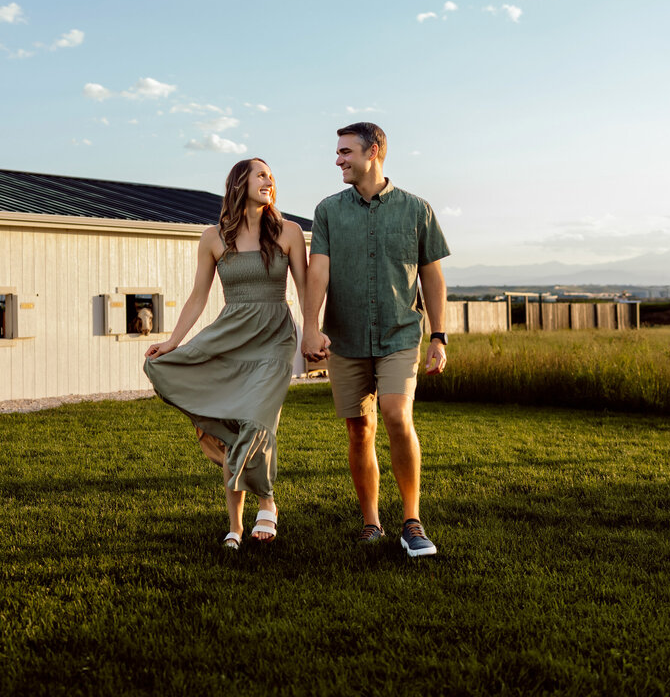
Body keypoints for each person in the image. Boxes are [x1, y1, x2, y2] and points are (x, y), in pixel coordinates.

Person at [301, 122, 450, 558]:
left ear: (374, 151)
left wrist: (438, 337)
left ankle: (412, 520)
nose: (338, 160)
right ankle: (371, 522)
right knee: (358, 428)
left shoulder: (416, 210)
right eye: (338, 152)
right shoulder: (328, 211)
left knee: (395, 413)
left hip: (400, 332)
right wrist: (311, 325)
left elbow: (432, 276)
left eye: (346, 151)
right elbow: (319, 271)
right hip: (345, 337)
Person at [144, 158, 308, 550]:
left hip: (275, 339)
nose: (270, 180)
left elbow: (305, 291)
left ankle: (266, 500)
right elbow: (199, 296)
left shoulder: (289, 232)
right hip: (230, 336)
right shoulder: (213, 237)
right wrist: (172, 342)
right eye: (261, 174)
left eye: (272, 176)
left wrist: (314, 333)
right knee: (234, 430)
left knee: (255, 420)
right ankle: (235, 525)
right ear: (240, 183)